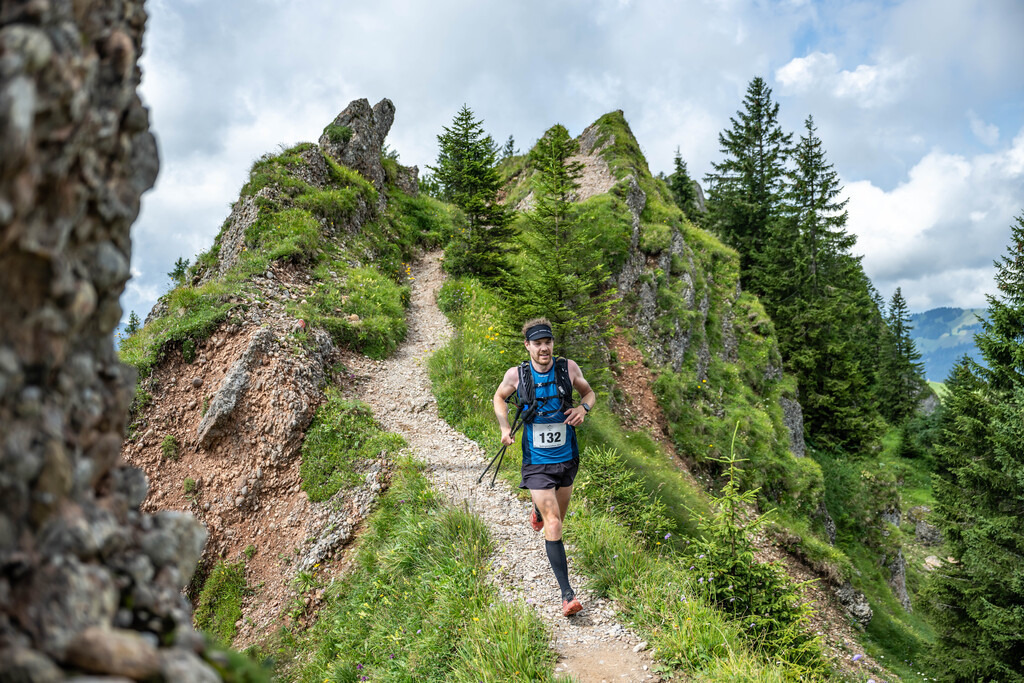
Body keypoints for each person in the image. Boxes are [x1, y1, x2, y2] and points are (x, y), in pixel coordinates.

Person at [492, 318, 596, 617]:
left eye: (547, 342)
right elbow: (499, 397)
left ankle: (536, 511)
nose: (543, 348)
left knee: (558, 516)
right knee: (554, 523)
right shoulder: (517, 375)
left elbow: (589, 394)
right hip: (536, 462)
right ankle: (567, 596)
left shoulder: (568, 369)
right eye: (537, 343)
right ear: (527, 346)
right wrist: (504, 428)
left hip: (566, 457)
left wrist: (583, 409)